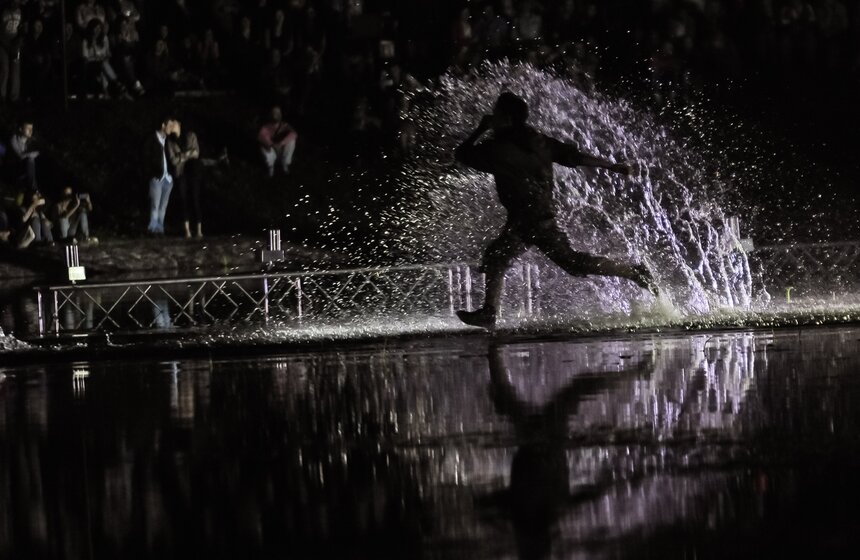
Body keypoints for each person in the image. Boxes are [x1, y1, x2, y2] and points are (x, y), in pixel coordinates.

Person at [454, 92, 657, 328]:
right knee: (541, 260)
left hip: (530, 219)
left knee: (562, 261)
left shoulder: (498, 148)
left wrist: (480, 129)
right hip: (532, 215)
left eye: (496, 114)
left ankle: (635, 272)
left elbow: (462, 154)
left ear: (507, 119)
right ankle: (489, 312)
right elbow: (574, 157)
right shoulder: (538, 141)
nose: (492, 116)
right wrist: (612, 166)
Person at [167, 126, 203, 238]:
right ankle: (187, 230)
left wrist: (182, 156)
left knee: (195, 199)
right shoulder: (171, 141)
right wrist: (187, 154)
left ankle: (199, 231)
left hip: (192, 172)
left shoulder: (190, 135)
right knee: (184, 201)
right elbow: (173, 160)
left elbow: (196, 153)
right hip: (181, 173)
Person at [144, 116, 177, 235]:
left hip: (167, 178)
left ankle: (160, 228)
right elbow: (146, 158)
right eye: (169, 126)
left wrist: (171, 175)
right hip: (157, 177)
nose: (171, 129)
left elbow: (173, 156)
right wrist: (152, 173)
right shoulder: (152, 140)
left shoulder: (168, 141)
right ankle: (153, 228)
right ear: (163, 125)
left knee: (163, 206)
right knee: (155, 205)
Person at [258, 105, 297, 177]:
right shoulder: (266, 126)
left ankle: (284, 164)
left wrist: (281, 143)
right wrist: (272, 144)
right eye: (274, 112)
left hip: (281, 150)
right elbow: (261, 136)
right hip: (272, 150)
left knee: (292, 141)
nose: (275, 114)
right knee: (263, 148)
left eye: (277, 112)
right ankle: (271, 167)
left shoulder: (284, 125)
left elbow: (294, 134)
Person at [9, 120, 38, 189]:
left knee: (31, 161)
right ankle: (33, 189)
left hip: (26, 171)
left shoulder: (31, 141)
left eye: (31, 129)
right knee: (30, 160)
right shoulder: (14, 139)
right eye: (28, 128)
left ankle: (32, 188)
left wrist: (31, 154)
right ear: (21, 129)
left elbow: (38, 153)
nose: (31, 131)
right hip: (14, 169)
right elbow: (20, 156)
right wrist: (31, 154)